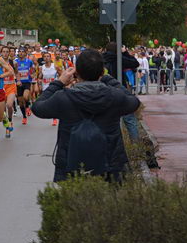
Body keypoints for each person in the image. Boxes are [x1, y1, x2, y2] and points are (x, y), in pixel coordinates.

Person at [31, 49, 141, 182]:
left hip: (72, 168)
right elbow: (134, 102)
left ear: (76, 72)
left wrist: (59, 83)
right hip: (110, 166)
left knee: (74, 194)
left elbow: (37, 107)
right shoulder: (114, 96)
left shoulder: (63, 98)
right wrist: (108, 79)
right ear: (102, 72)